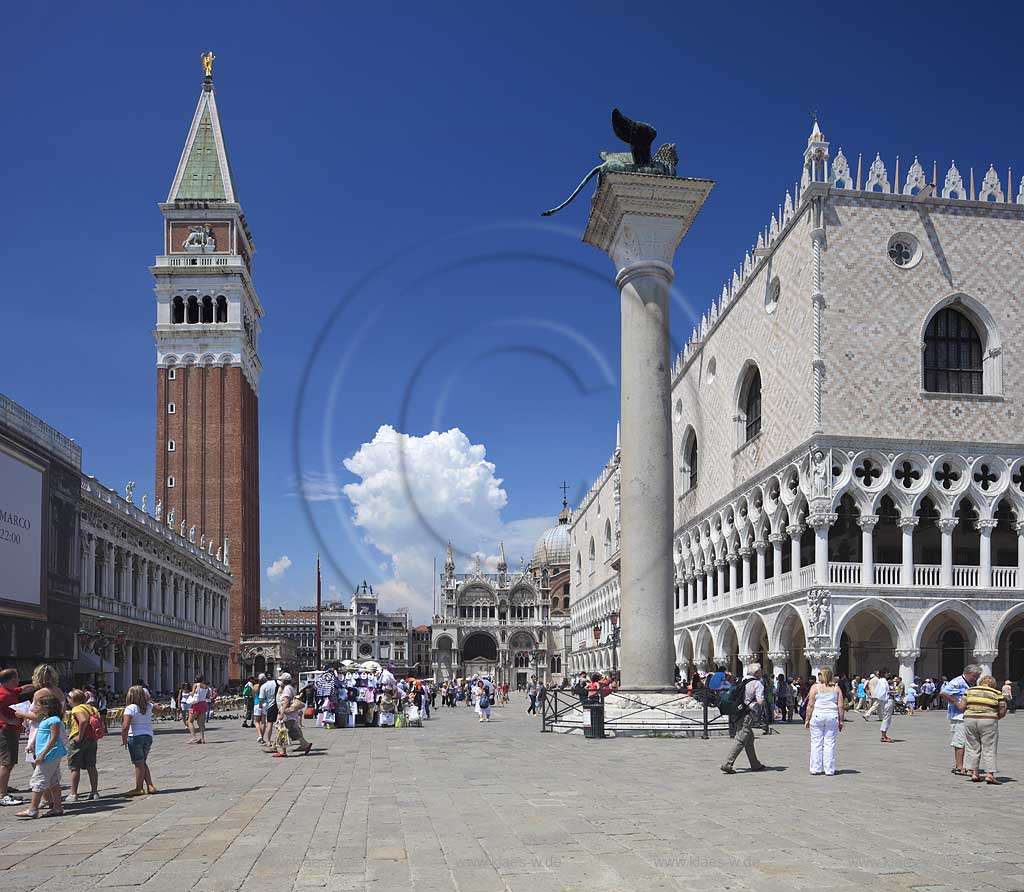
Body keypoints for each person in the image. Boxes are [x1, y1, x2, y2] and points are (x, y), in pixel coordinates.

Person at [15, 696, 66, 818]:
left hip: (49, 755)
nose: (35, 708)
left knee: (38, 780)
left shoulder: (53, 720)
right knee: (53, 781)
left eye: (38, 705)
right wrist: (32, 746)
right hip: (49, 754)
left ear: (47, 707)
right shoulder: (46, 719)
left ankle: (33, 809)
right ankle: (57, 807)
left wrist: (42, 754)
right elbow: (42, 736)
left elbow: (53, 739)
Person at [720, 663, 769, 774]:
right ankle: (727, 763)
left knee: (749, 739)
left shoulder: (742, 680)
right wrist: (764, 703)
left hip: (737, 712)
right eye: (760, 670)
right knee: (741, 739)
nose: (762, 672)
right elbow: (760, 701)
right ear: (756, 673)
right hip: (747, 713)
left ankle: (755, 764)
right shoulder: (757, 683)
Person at [121, 684, 166, 796]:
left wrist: (124, 739)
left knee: (138, 763)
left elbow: (125, 726)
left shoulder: (130, 708)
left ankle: (139, 787)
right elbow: (160, 710)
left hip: (135, 736)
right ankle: (150, 785)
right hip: (148, 736)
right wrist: (149, 700)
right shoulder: (149, 706)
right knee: (142, 762)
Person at [0, 668, 36, 807]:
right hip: (6, 730)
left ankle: (3, 790)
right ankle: (2, 795)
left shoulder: (10, 691)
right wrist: (8, 721)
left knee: (7, 762)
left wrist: (38, 683)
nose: (19, 680)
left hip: (10, 730)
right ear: (11, 680)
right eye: (17, 678)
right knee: (7, 763)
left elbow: (23, 689)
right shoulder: (3, 694)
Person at [963, 675, 1006, 784]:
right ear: (992, 684)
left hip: (970, 719)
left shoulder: (970, 691)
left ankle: (974, 773)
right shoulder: (996, 693)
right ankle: (989, 775)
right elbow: (1002, 708)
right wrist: (997, 717)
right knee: (989, 747)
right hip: (988, 719)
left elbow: (963, 705)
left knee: (972, 746)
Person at [941, 664, 981, 776]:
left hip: (968, 715)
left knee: (968, 742)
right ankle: (959, 766)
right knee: (960, 741)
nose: (975, 679)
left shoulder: (971, 683)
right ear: (967, 673)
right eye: (974, 676)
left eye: (977, 676)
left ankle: (965, 765)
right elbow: (943, 692)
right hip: (958, 716)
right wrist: (957, 703)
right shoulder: (957, 681)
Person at [805, 668, 844, 776]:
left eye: (820, 674)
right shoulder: (836, 688)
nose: (818, 676)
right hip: (832, 716)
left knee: (816, 742)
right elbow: (840, 706)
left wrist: (807, 718)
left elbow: (810, 704)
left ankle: (815, 768)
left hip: (818, 715)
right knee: (829, 743)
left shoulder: (815, 687)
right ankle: (829, 769)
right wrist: (841, 721)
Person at [65, 689, 100, 802]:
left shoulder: (77, 708)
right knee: (91, 765)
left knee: (75, 767)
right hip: (92, 739)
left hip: (79, 740)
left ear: (73, 700)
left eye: (69, 700)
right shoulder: (92, 708)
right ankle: (94, 792)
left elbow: (83, 721)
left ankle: (73, 794)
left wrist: (79, 736)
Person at [273, 673, 311, 757]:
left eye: (281, 680)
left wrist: (281, 713)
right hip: (291, 714)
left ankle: (283, 751)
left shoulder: (287, 689)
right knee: (292, 731)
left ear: (284, 681)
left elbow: (286, 701)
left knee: (282, 730)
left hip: (287, 714)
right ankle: (305, 744)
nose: (280, 681)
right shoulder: (290, 687)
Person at [864, 670, 895, 743]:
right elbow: (883, 692)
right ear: (884, 674)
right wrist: (891, 692)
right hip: (886, 700)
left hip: (884, 700)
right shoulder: (883, 681)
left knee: (887, 717)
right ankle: (883, 735)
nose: (889, 674)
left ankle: (884, 734)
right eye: (887, 673)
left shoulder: (881, 681)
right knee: (886, 717)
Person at [186, 675, 212, 744]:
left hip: (196, 704)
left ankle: (193, 737)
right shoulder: (207, 687)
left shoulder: (196, 685)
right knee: (201, 723)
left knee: (190, 721)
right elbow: (208, 696)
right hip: (203, 704)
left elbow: (192, 693)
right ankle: (202, 738)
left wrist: (189, 693)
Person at [257, 673, 279, 746]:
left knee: (269, 724)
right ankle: (278, 740)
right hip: (279, 705)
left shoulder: (264, 686)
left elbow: (261, 699)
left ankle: (268, 741)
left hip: (270, 706)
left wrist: (260, 705)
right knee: (280, 724)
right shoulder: (277, 682)